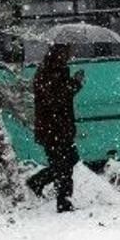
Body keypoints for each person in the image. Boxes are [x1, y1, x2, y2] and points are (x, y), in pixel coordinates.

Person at [26, 43, 84, 212]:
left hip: (59, 128)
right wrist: (75, 83)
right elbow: (56, 99)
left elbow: (60, 96)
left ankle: (37, 182)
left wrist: (72, 83)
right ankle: (63, 202)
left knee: (69, 160)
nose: (71, 55)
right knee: (63, 166)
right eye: (68, 52)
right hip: (54, 129)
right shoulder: (49, 72)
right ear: (60, 54)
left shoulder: (55, 70)